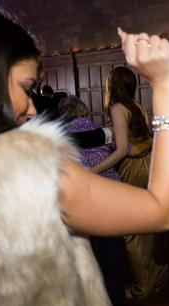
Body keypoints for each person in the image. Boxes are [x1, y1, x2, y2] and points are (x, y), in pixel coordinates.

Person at [0, 3, 169, 306]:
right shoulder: (26, 173)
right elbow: (165, 211)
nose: (33, 109)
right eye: (26, 87)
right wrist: (165, 84)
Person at [91, 66, 169, 300]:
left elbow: (122, 150)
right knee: (144, 227)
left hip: (131, 170)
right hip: (147, 166)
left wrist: (92, 170)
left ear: (111, 84)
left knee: (129, 230)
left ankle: (139, 285)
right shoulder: (138, 106)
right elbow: (145, 140)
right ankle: (152, 277)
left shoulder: (117, 108)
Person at [58, 96, 125, 306]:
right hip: (110, 192)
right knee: (113, 251)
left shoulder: (59, 136)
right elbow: (128, 148)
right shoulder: (104, 131)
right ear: (84, 111)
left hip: (81, 196)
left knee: (87, 253)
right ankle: (116, 298)